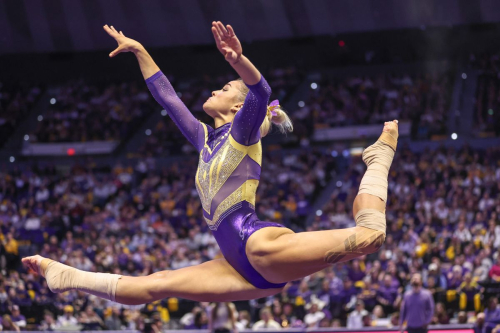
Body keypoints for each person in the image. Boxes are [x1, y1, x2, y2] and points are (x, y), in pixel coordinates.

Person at [22, 21, 397, 305]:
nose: (216, 89)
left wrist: (239, 60)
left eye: (226, 88)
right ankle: (65, 276)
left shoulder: (242, 131)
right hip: (234, 263)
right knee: (156, 285)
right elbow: (168, 99)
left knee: (371, 238)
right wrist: (138, 50)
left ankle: (377, 159)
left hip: (257, 245)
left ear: (237, 107)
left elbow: (262, 92)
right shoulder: (204, 139)